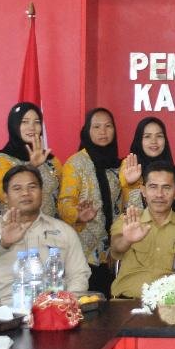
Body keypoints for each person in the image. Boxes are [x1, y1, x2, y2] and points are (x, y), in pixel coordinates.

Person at [0, 164, 90, 301]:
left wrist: (66, 303)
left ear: (42, 192)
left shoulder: (63, 231)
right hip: (5, 313)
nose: (26, 193)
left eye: (32, 187)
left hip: (53, 311)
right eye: (17, 188)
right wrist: (3, 242)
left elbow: (79, 274)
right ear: (5, 197)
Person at [110, 162, 175, 298]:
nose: (159, 194)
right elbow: (116, 248)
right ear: (143, 191)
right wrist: (127, 239)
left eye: (166, 187)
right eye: (153, 187)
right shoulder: (129, 221)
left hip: (172, 307)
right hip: (127, 305)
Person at [57, 108, 130, 296]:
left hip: (114, 251)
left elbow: (124, 203)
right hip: (84, 251)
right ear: (87, 131)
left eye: (108, 126)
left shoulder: (120, 165)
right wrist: (78, 214)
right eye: (96, 127)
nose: (103, 132)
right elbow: (65, 201)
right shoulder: (76, 163)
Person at [0, 101, 61, 218]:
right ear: (14, 125)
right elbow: (4, 194)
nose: (32, 127)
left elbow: (62, 197)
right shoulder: (0, 160)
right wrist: (31, 167)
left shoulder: (51, 160)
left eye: (37, 122)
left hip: (50, 231)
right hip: (14, 230)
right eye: (24, 122)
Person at [119, 116, 174, 205]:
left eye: (159, 136)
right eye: (147, 136)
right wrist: (131, 184)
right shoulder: (130, 166)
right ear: (139, 140)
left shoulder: (173, 170)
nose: (154, 141)